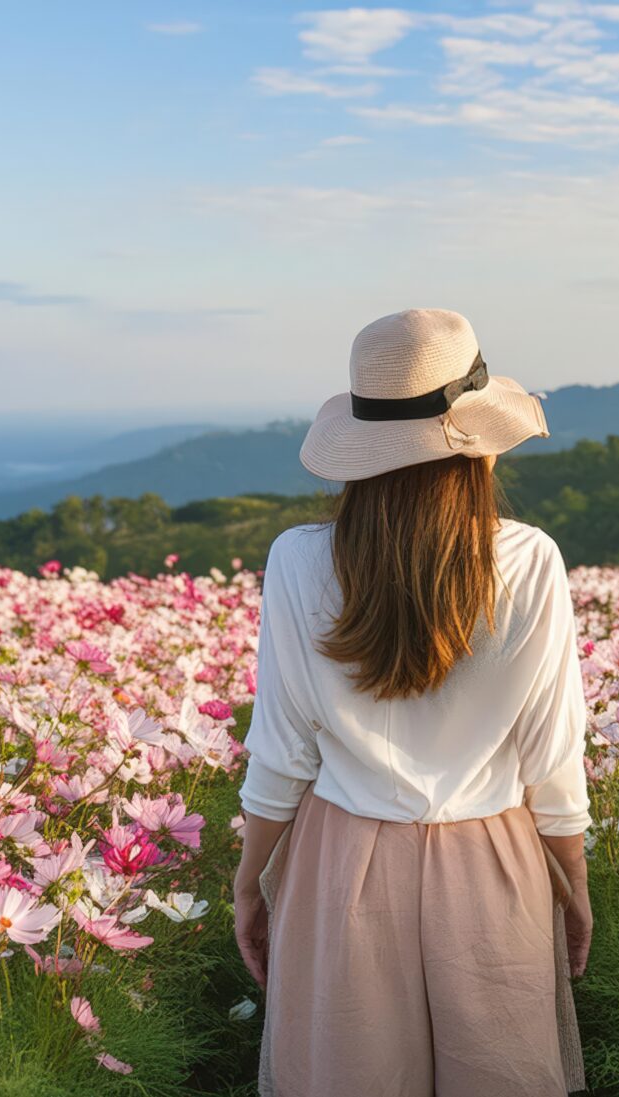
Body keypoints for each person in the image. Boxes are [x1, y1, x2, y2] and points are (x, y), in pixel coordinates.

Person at [232, 308, 594, 1097]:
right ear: (479, 443)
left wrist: (251, 877)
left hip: (340, 863)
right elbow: (551, 757)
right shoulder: (529, 560)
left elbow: (282, 751)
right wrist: (573, 881)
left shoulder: (297, 561)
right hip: (493, 860)